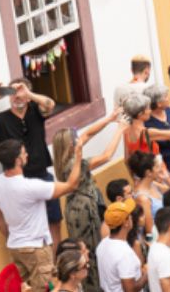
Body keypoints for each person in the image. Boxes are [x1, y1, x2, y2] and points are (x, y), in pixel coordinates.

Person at [0, 138, 82, 290]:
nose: (27, 156)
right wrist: (78, 156)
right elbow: (71, 185)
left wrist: (12, 237)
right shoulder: (30, 187)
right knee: (44, 288)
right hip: (36, 248)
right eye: (24, 153)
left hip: (15, 247)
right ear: (18, 160)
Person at [0, 78, 61, 245]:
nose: (16, 96)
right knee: (26, 225)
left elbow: (50, 104)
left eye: (20, 93)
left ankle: (56, 265)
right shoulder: (1, 119)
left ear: (28, 96)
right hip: (17, 181)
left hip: (42, 175)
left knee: (54, 221)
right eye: (13, 93)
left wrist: (28, 93)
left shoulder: (36, 112)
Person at [52, 110, 125, 291]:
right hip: (85, 212)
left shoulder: (63, 158)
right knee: (91, 250)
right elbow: (107, 156)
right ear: (71, 146)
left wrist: (109, 118)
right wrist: (120, 130)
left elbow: (88, 133)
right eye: (76, 139)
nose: (80, 139)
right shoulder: (73, 164)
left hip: (77, 206)